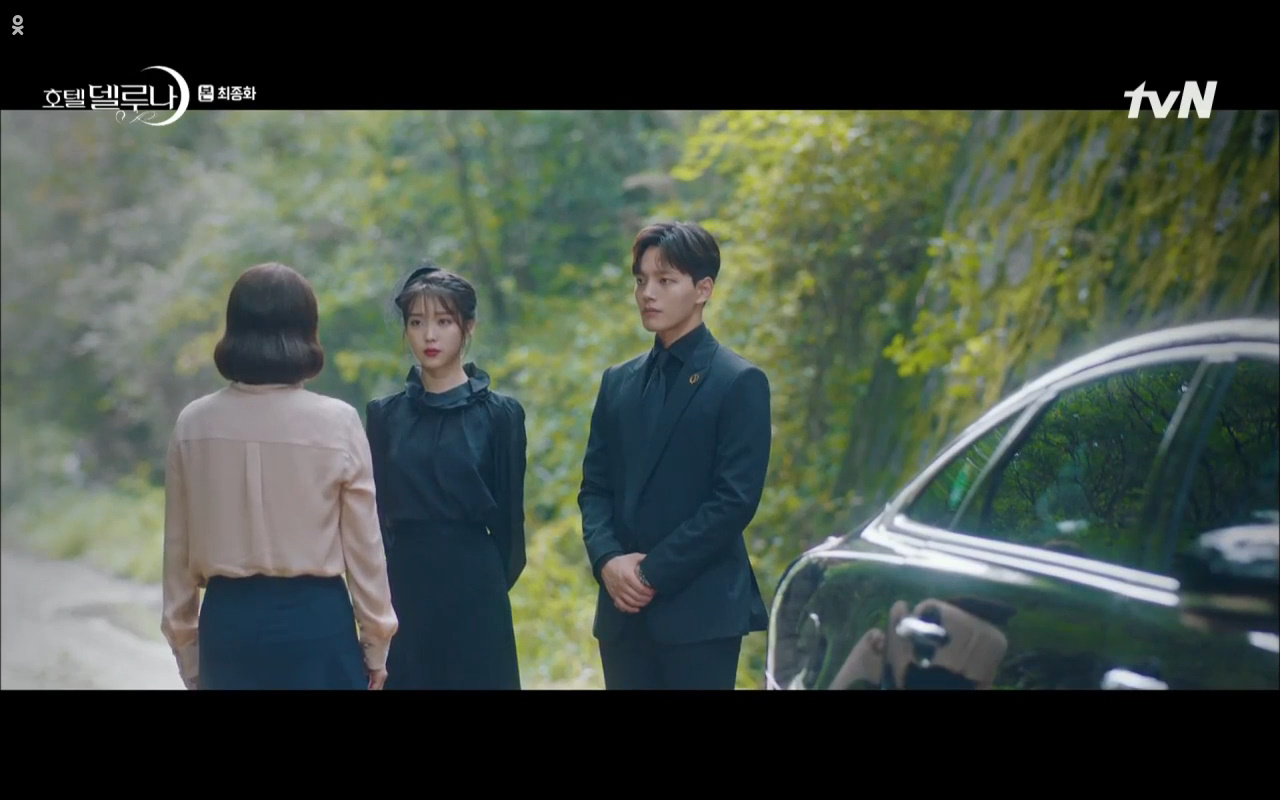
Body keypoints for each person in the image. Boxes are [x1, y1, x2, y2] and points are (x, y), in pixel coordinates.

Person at [160, 262, 398, 690]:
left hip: (228, 627)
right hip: (317, 625)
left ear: (234, 330)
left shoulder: (193, 424)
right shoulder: (338, 423)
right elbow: (365, 548)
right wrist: (376, 642)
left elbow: (177, 551)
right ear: (307, 332)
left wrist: (188, 654)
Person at [578, 221, 773, 690]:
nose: (648, 293)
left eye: (665, 280)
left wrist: (649, 573)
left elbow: (733, 502)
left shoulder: (738, 381)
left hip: (700, 613)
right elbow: (595, 488)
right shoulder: (618, 382)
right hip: (623, 615)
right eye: (641, 280)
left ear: (703, 289)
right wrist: (608, 561)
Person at [364, 260, 528, 690]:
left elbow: (511, 530)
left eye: (443, 321)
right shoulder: (384, 417)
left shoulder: (501, 415)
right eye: (416, 322)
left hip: (476, 587)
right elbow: (375, 520)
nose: (429, 336)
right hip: (405, 587)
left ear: (468, 326)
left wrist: (483, 585)